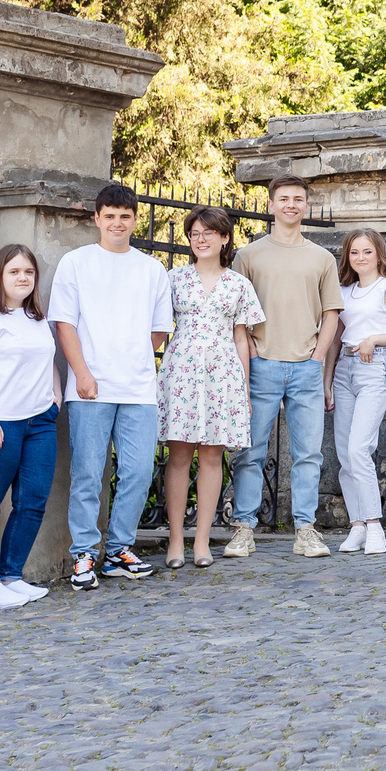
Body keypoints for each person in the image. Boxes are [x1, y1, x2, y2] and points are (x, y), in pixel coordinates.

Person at [50, 182, 172, 588]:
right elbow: (64, 323)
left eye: (125, 216)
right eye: (110, 216)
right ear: (97, 218)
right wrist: (82, 372)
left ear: (135, 220)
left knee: (137, 470)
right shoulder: (76, 263)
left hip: (138, 388)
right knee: (88, 473)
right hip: (90, 387)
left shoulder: (152, 269)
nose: (118, 223)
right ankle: (84, 554)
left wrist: (132, 358)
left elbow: (159, 331)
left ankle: (119, 549)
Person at [233, 175, 344, 558]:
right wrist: (251, 353)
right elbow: (237, 318)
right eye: (284, 199)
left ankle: (306, 530)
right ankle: (244, 528)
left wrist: (317, 357)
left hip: (306, 368)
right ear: (272, 204)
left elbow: (331, 315)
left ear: (306, 206)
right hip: (262, 363)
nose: (291, 205)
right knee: (250, 450)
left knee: (309, 453)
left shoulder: (321, 258)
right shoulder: (249, 255)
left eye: (298, 199)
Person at [159, 207, 263, 568]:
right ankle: (175, 540)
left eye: (208, 233)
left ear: (224, 239)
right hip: (182, 368)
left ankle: (201, 541)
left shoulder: (238, 284)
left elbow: (241, 340)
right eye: (195, 233)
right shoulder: (174, 279)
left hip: (222, 373)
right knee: (179, 456)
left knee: (212, 456)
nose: (200, 239)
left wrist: (245, 391)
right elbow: (158, 328)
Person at [0, 244, 59, 608]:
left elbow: (48, 360)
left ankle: (11, 575)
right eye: (15, 272)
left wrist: (56, 397)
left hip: (39, 422)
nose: (23, 278)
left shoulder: (36, 317)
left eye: (29, 273)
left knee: (32, 500)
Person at [331, 229, 386, 555]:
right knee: (343, 454)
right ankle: (357, 526)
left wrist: (375, 339)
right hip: (343, 370)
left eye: (367, 252)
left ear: (378, 254)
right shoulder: (344, 291)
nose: (360, 258)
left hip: (374, 369)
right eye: (354, 253)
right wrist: (327, 382)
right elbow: (337, 339)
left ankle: (375, 525)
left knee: (358, 449)